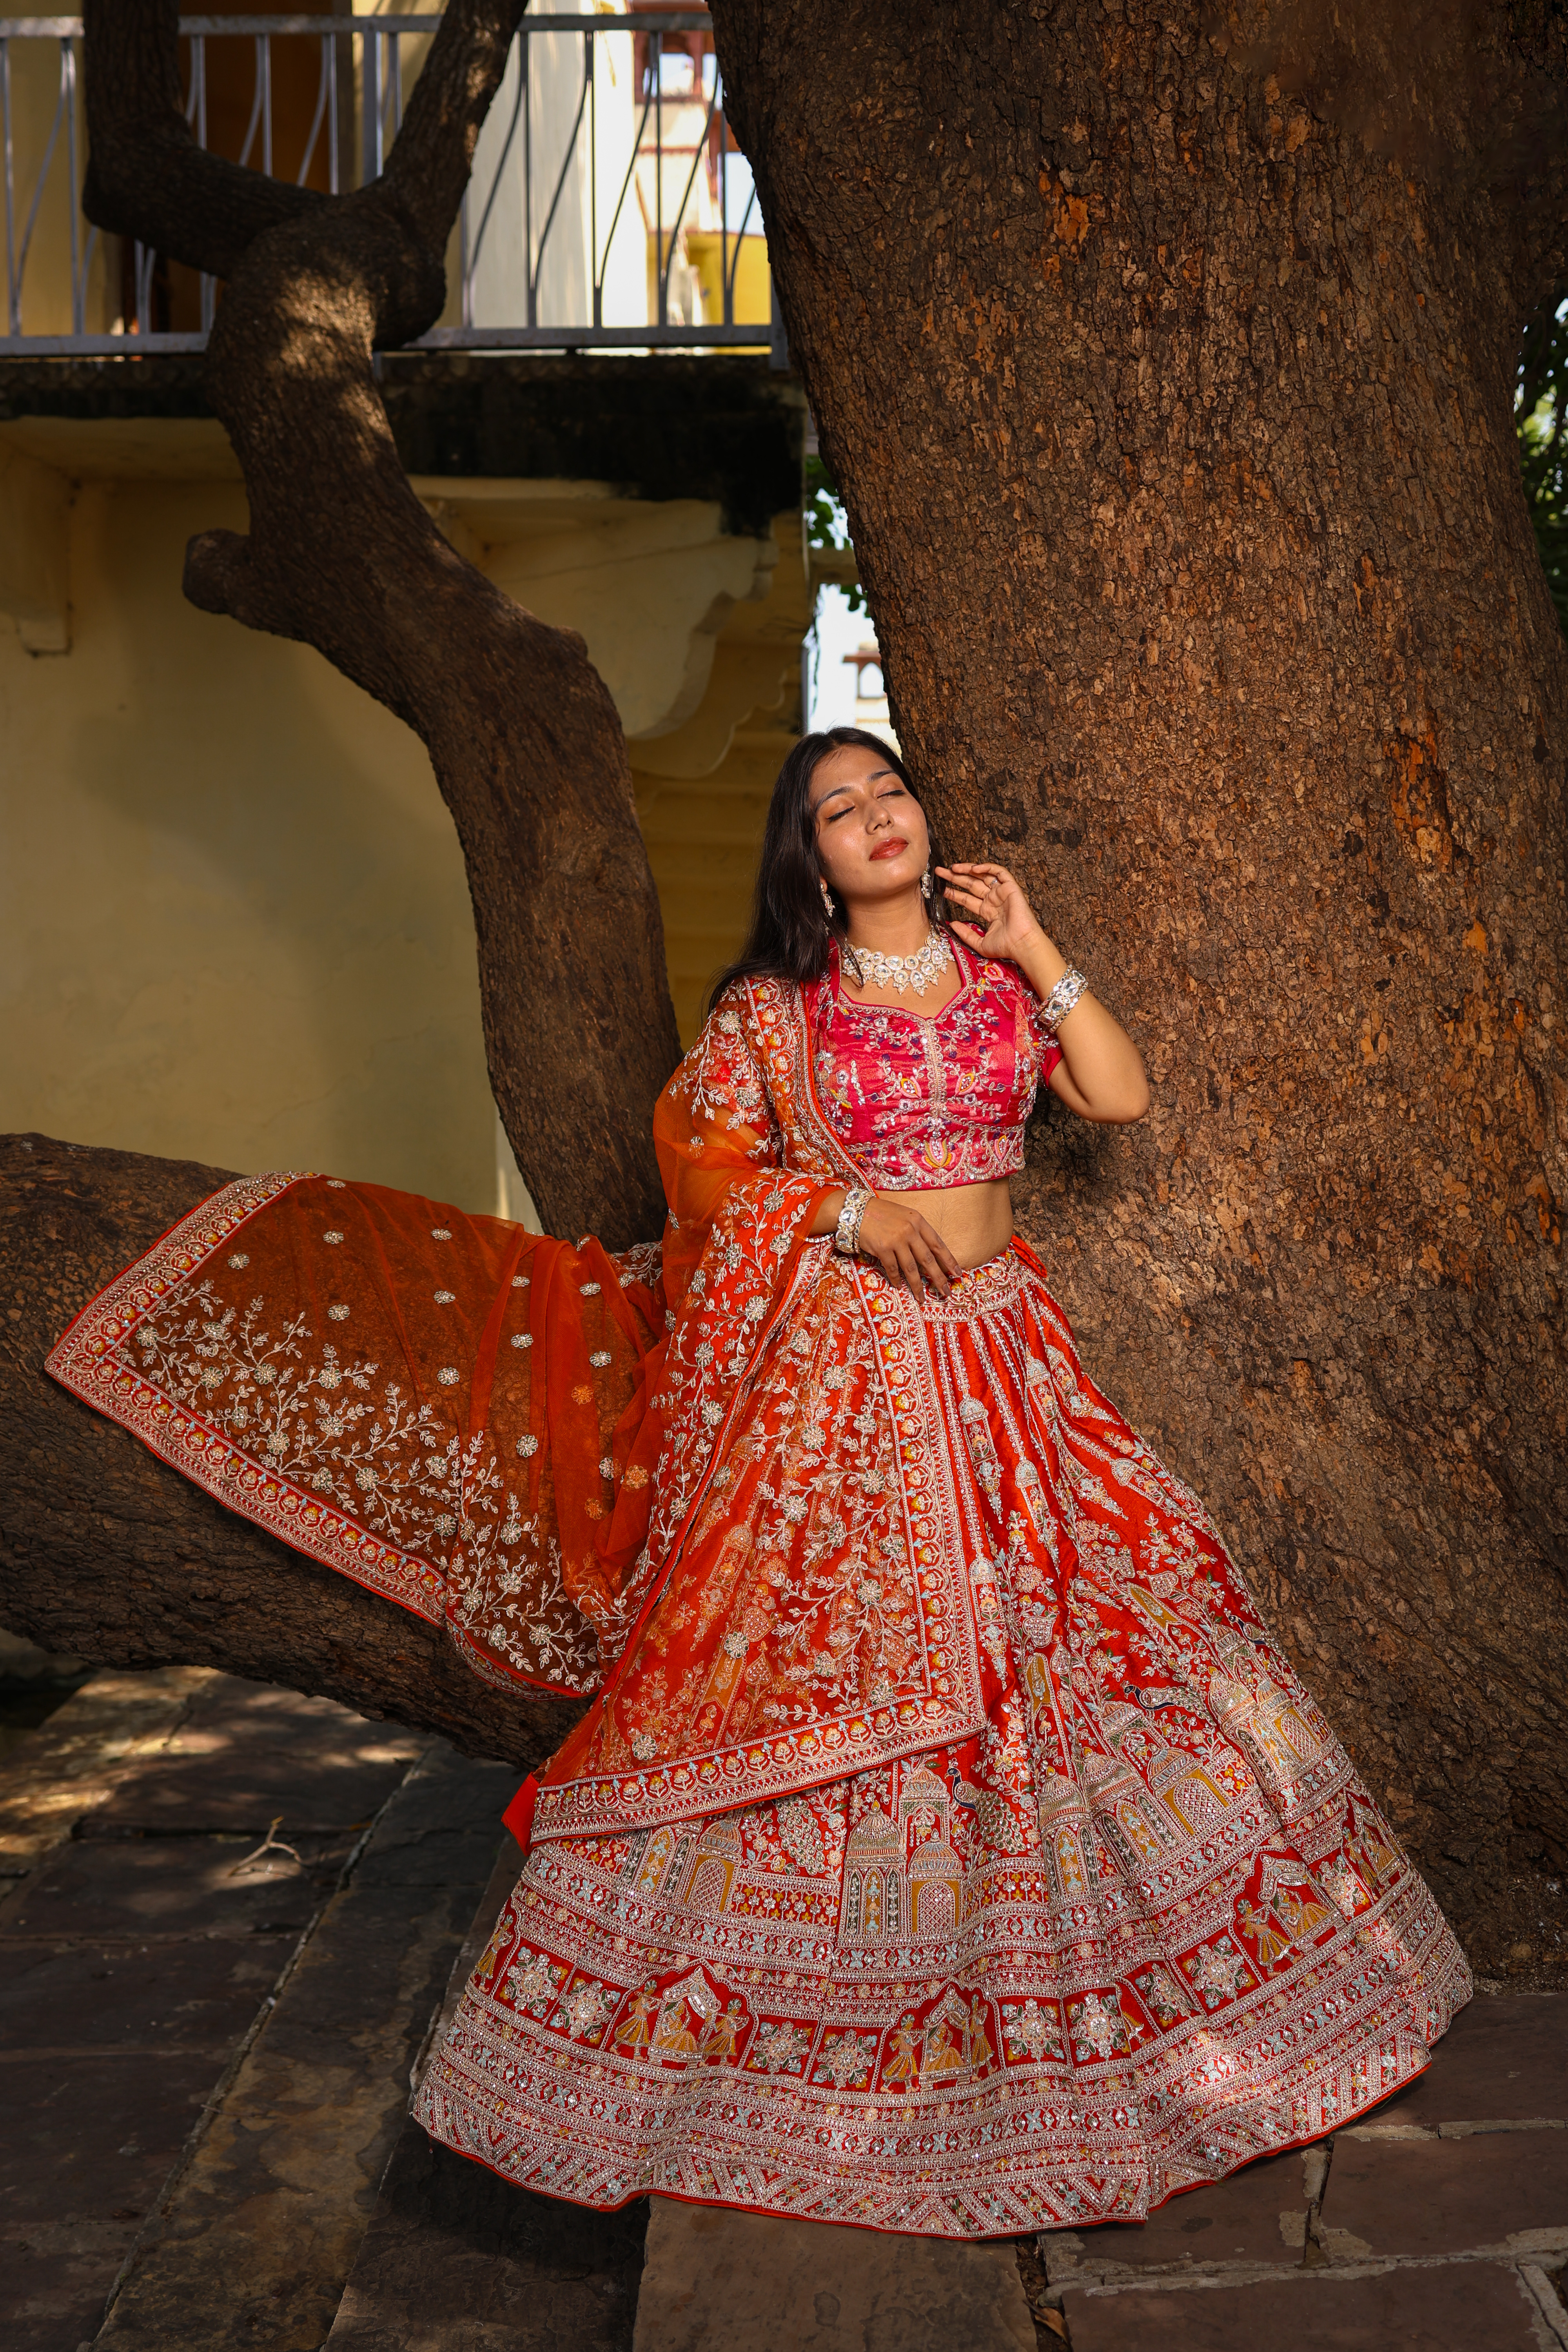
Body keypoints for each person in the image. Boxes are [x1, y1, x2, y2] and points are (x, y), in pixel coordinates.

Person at [48, 726, 1469, 2239]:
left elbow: (1115, 1097)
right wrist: (845, 1213)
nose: (874, 820)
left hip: (1007, 1358)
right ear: (811, 858)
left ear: (927, 822)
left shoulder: (1000, 986)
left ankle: (1110, 2034)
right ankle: (798, 2067)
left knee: (1086, 1648)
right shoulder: (777, 1013)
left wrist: (1041, 944)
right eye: (838, 810)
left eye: (891, 794)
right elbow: (704, 1170)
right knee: (829, 1668)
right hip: (850, 1372)